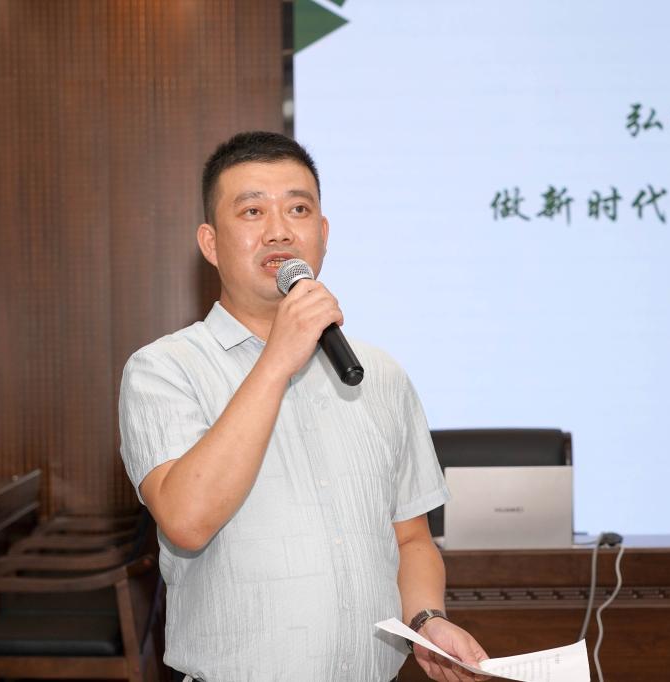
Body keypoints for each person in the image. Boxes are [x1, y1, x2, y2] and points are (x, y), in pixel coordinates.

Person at [119, 131, 488, 681]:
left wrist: (427, 619)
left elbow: (410, 538)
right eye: (252, 211)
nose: (280, 230)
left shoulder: (379, 374)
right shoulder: (163, 369)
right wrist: (276, 360)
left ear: (323, 234)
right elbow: (187, 520)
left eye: (298, 209)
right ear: (211, 243)